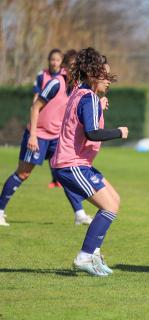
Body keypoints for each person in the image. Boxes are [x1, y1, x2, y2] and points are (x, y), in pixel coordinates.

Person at [51, 47, 128, 276]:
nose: (109, 81)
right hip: (70, 164)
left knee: (114, 199)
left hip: (78, 163)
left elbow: (85, 115)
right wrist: (119, 132)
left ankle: (93, 255)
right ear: (93, 74)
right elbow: (93, 133)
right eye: (105, 75)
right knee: (109, 206)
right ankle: (85, 256)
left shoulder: (80, 92)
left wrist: (99, 104)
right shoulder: (89, 99)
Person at [0, 49, 93, 227]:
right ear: (65, 67)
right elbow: (35, 108)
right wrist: (33, 135)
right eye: (73, 66)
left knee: (65, 174)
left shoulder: (77, 88)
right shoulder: (56, 83)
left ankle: (79, 214)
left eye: (78, 67)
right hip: (39, 135)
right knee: (23, 173)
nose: (77, 70)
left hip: (56, 138)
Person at [33, 48, 64, 189]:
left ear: (61, 61)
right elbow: (37, 97)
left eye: (57, 59)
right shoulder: (42, 75)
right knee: (26, 168)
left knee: (56, 155)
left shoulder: (65, 76)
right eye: (52, 59)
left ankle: (56, 180)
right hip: (42, 122)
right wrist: (35, 109)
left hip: (57, 122)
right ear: (48, 60)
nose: (55, 62)